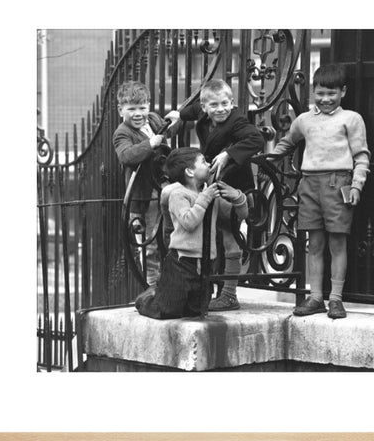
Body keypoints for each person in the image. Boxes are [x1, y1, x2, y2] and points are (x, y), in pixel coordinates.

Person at [269, 64, 370, 319]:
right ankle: (315, 297)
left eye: (332, 93)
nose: (326, 99)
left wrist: (356, 185)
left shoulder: (351, 119)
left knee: (337, 242)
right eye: (321, 93)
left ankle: (335, 298)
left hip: (339, 184)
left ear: (343, 92)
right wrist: (269, 158)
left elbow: (361, 156)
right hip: (309, 185)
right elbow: (287, 142)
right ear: (313, 92)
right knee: (313, 244)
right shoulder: (304, 120)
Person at [165, 79, 264, 311]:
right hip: (212, 185)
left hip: (235, 188)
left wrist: (229, 153)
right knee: (210, 236)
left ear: (232, 103)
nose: (220, 109)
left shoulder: (236, 120)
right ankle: (200, 284)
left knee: (230, 238)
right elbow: (190, 110)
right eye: (214, 105)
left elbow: (257, 139)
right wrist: (179, 115)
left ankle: (229, 295)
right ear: (205, 106)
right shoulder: (203, 111)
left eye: (225, 104)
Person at [135, 147, 248, 319]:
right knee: (167, 310)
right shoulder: (178, 195)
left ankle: (164, 294)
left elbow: (241, 215)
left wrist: (237, 196)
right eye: (203, 162)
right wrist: (206, 198)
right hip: (181, 262)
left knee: (196, 310)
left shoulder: (209, 194)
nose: (209, 164)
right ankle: (147, 298)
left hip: (205, 264)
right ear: (189, 171)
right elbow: (188, 222)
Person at [112, 80, 178, 286]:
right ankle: (151, 286)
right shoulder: (122, 132)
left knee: (169, 235)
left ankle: (170, 279)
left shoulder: (153, 119)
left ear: (148, 106)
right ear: (120, 110)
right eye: (131, 109)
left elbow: (168, 134)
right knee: (149, 243)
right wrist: (150, 144)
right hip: (144, 195)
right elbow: (126, 156)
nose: (138, 113)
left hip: (164, 187)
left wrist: (175, 122)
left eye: (142, 107)